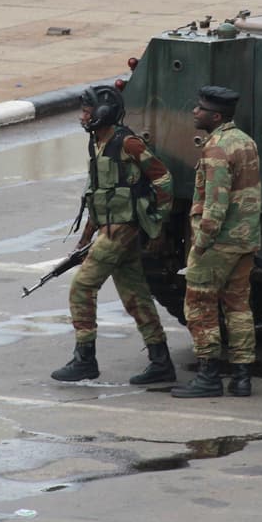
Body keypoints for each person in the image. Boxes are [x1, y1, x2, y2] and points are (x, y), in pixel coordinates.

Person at [51, 85, 176, 385]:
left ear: (103, 113)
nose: (83, 117)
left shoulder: (127, 143)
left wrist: (156, 224)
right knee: (136, 296)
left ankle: (85, 359)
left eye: (87, 112)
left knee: (82, 288)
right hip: (110, 228)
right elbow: (98, 193)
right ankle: (161, 362)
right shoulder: (97, 142)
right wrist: (86, 236)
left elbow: (163, 178)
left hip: (123, 229)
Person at [172, 86, 262, 399]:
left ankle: (208, 375)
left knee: (199, 304)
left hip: (218, 243)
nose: (195, 112)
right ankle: (242, 377)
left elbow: (216, 203)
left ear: (216, 116)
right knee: (238, 306)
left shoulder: (217, 149)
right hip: (244, 240)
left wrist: (201, 243)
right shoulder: (245, 141)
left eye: (201, 109)